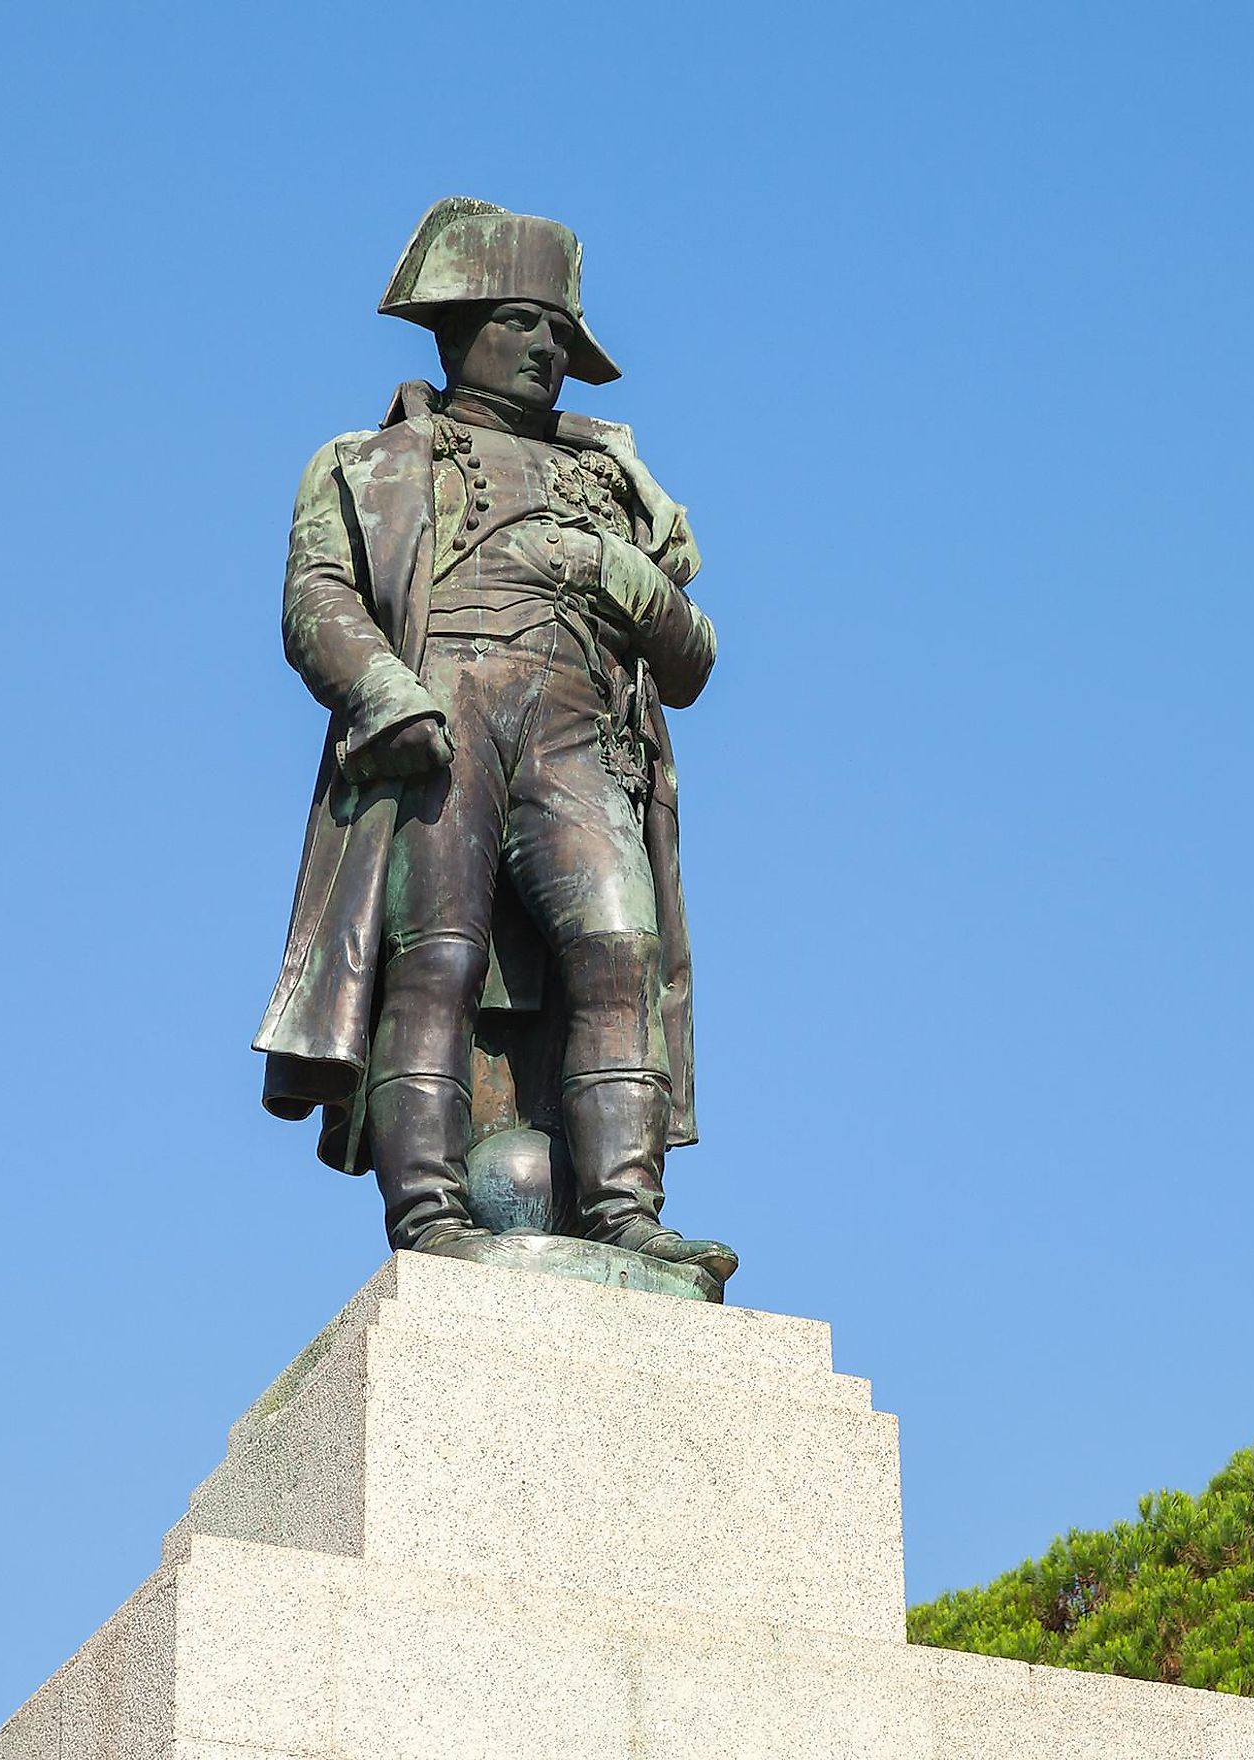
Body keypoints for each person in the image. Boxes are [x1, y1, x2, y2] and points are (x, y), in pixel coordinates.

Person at [252, 197, 736, 1285]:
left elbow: (695, 661)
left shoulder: (619, 489)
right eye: (526, 323)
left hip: (582, 735)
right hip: (443, 711)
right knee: (438, 961)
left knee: (624, 950)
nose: (548, 349)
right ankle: (426, 1207)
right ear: (459, 326)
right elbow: (318, 598)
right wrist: (385, 688)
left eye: (562, 333)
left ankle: (625, 1209)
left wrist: (628, 575)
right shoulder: (366, 463)